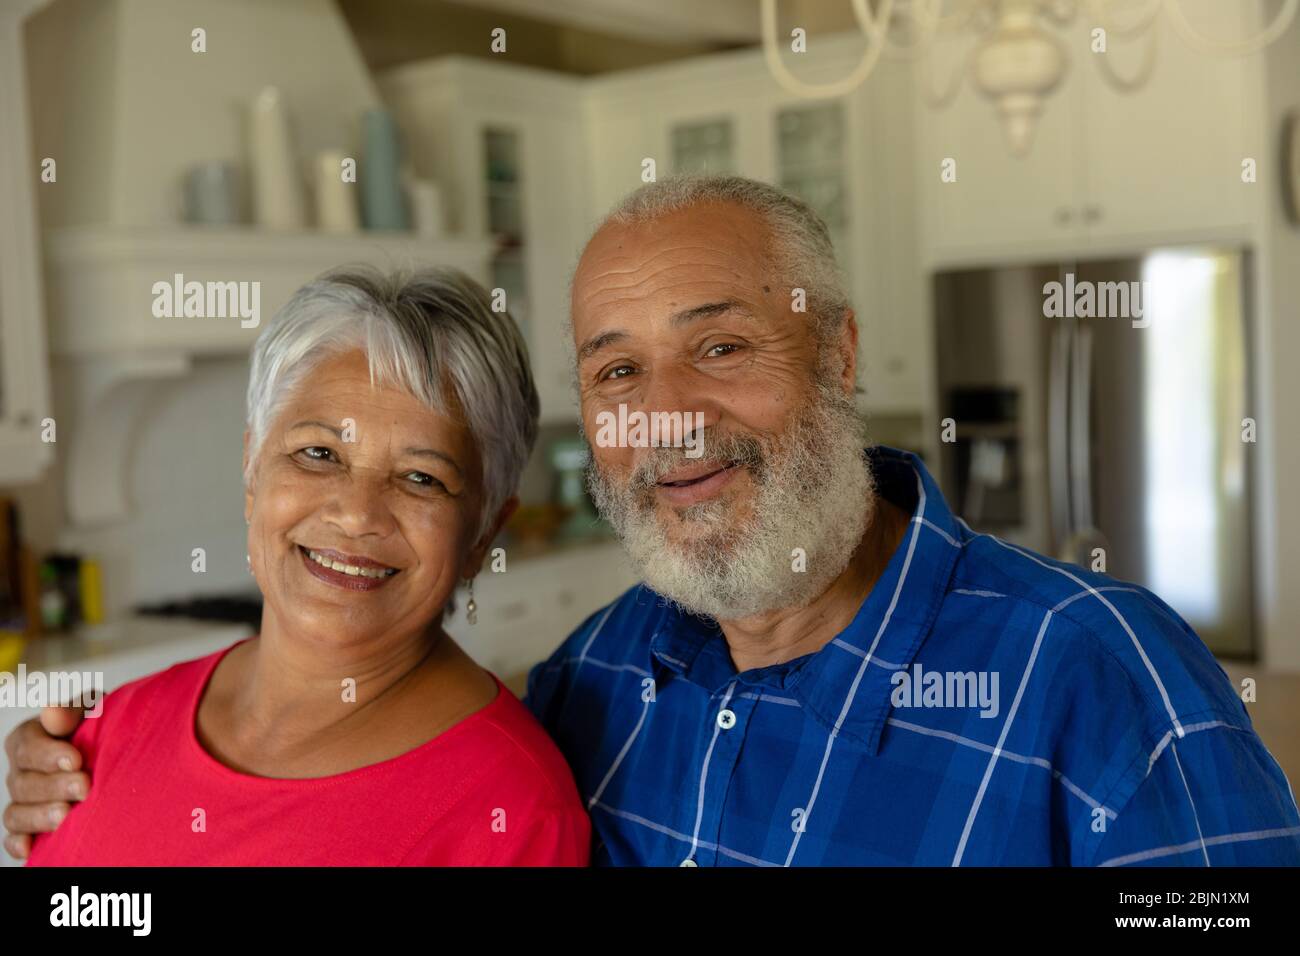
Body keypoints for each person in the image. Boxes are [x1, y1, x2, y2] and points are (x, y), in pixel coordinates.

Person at [525, 174, 1300, 865]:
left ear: (839, 355)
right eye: (618, 371)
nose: (665, 420)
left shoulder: (1107, 677)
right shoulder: (584, 679)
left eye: (721, 347)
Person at [5, 266, 588, 866]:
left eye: (422, 478)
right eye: (319, 453)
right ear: (253, 468)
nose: (357, 514)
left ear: (484, 529)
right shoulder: (98, 740)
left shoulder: (511, 816)